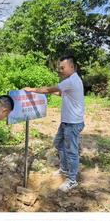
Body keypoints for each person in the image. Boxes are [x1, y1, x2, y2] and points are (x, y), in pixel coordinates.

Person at [24, 55, 85, 192]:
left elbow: (48, 89)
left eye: (63, 68)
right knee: (58, 144)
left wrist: (32, 89)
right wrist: (51, 93)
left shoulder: (71, 81)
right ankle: (64, 169)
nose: (61, 70)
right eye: (60, 68)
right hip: (67, 122)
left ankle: (72, 180)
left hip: (72, 123)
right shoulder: (72, 81)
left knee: (72, 152)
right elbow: (62, 93)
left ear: (72, 66)